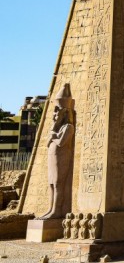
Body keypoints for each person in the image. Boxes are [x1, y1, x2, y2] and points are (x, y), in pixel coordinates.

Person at [38, 84, 75, 220]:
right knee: (51, 183)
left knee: (59, 184)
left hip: (62, 158)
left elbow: (61, 142)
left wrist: (53, 135)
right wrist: (54, 128)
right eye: (54, 112)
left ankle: (57, 210)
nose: (54, 114)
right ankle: (50, 208)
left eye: (57, 111)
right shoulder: (57, 127)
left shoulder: (68, 127)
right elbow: (49, 141)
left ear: (65, 112)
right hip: (53, 157)